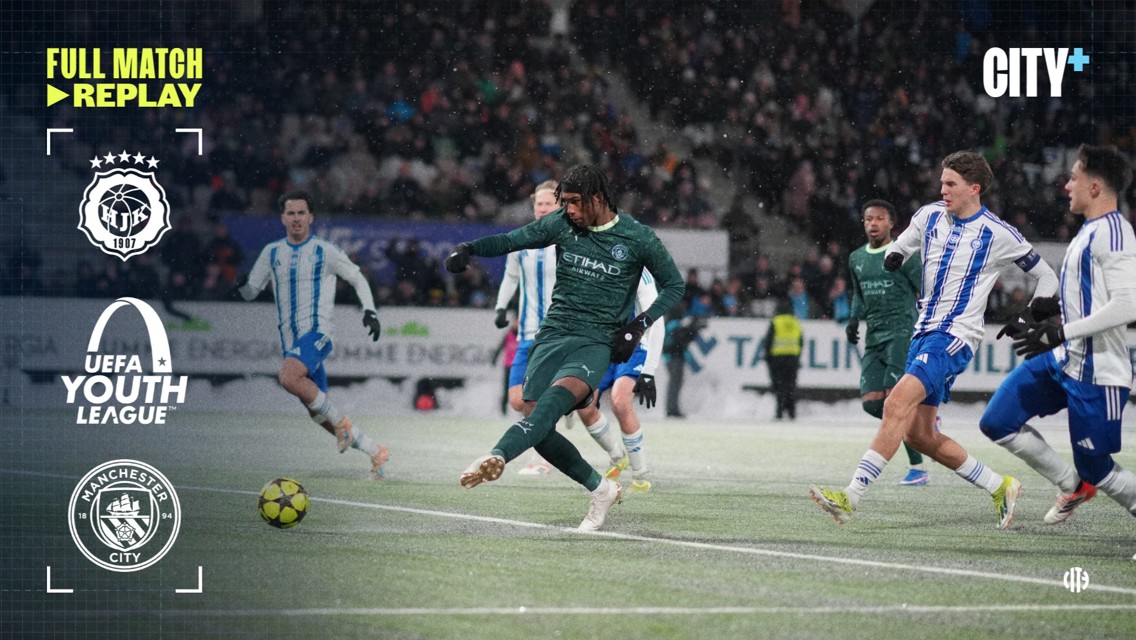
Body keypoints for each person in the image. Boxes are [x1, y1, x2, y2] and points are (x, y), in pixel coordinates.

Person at [810, 150, 1058, 529]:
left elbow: (1048, 276)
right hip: (923, 332)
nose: (942, 190)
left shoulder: (997, 233)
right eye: (941, 182)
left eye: (950, 184)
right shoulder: (928, 216)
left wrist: (1028, 315)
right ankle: (999, 484)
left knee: (895, 403)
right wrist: (894, 255)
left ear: (974, 188)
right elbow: (904, 243)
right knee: (921, 434)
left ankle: (851, 495)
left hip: (955, 336)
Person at [445, 164, 684, 531]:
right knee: (538, 425)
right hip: (553, 334)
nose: (568, 210)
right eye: (564, 202)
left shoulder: (638, 237)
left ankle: (496, 455)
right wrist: (469, 248)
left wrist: (638, 326)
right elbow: (513, 240)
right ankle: (600, 488)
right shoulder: (563, 225)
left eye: (574, 202)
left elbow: (674, 287)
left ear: (598, 198)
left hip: (595, 342)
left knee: (553, 405)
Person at [980, 144, 1136, 524]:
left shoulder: (1114, 232)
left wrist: (1062, 331)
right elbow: (1089, 298)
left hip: (1098, 372)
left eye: (1074, 177)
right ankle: (1072, 484)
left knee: (1098, 467)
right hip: (1066, 359)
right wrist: (1039, 312)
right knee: (997, 421)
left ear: (1096, 187)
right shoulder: (1091, 230)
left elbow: (1128, 305)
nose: (1067, 185)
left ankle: (1089, 480)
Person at [238, 191, 389, 479]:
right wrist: (241, 285)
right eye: (291, 213)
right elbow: (250, 292)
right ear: (283, 218)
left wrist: (370, 310)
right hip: (291, 344)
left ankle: (343, 426)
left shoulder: (324, 251)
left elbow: (357, 277)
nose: (296, 218)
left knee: (288, 377)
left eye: (301, 213)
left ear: (311, 217)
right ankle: (376, 451)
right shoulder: (271, 253)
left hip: (318, 333)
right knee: (317, 413)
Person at [846, 199, 930, 486]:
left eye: (880, 218)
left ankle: (918, 468)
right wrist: (854, 319)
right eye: (869, 219)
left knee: (894, 401)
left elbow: (924, 289)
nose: (873, 224)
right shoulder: (856, 258)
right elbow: (859, 293)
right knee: (872, 403)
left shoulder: (903, 254)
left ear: (892, 224)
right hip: (874, 337)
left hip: (900, 332)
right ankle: (918, 419)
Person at [491, 180, 570, 477]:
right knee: (517, 400)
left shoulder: (567, 240)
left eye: (549, 203)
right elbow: (510, 278)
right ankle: (558, 417)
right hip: (525, 333)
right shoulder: (522, 240)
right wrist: (501, 307)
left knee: (537, 400)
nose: (543, 208)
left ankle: (542, 460)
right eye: (539, 204)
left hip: (554, 334)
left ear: (559, 206)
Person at [577, 269, 665, 494]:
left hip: (635, 346)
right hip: (604, 347)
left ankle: (640, 474)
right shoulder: (595, 266)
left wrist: (649, 371)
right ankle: (616, 455)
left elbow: (658, 320)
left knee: (620, 401)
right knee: (584, 405)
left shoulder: (640, 272)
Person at [762, 298, 802, 421]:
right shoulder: (796, 322)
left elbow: (769, 341)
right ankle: (792, 411)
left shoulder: (776, 321)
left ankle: (779, 410)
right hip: (792, 358)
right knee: (790, 385)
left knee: (779, 385)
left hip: (777, 358)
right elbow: (801, 342)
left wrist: (767, 357)